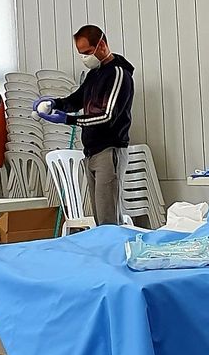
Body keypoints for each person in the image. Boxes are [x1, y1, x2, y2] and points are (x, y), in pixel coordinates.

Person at [35, 26, 135, 225]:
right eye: (81, 53)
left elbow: (106, 116)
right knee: (100, 217)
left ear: (102, 45)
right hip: (92, 152)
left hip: (109, 150)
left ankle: (113, 254)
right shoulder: (94, 75)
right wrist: (55, 103)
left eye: (88, 52)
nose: (84, 57)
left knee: (109, 218)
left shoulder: (117, 74)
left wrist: (69, 120)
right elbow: (76, 100)